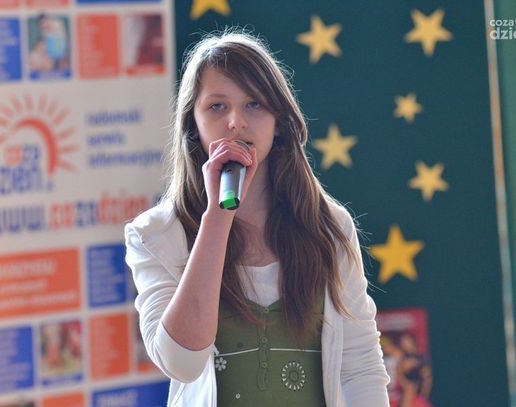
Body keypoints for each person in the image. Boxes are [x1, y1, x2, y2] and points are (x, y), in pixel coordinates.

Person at [125, 30, 390, 406]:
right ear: (192, 124)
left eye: (254, 104)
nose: (236, 122)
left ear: (279, 122)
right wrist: (218, 216)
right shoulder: (155, 236)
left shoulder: (329, 226)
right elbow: (181, 363)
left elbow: (360, 366)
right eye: (217, 106)